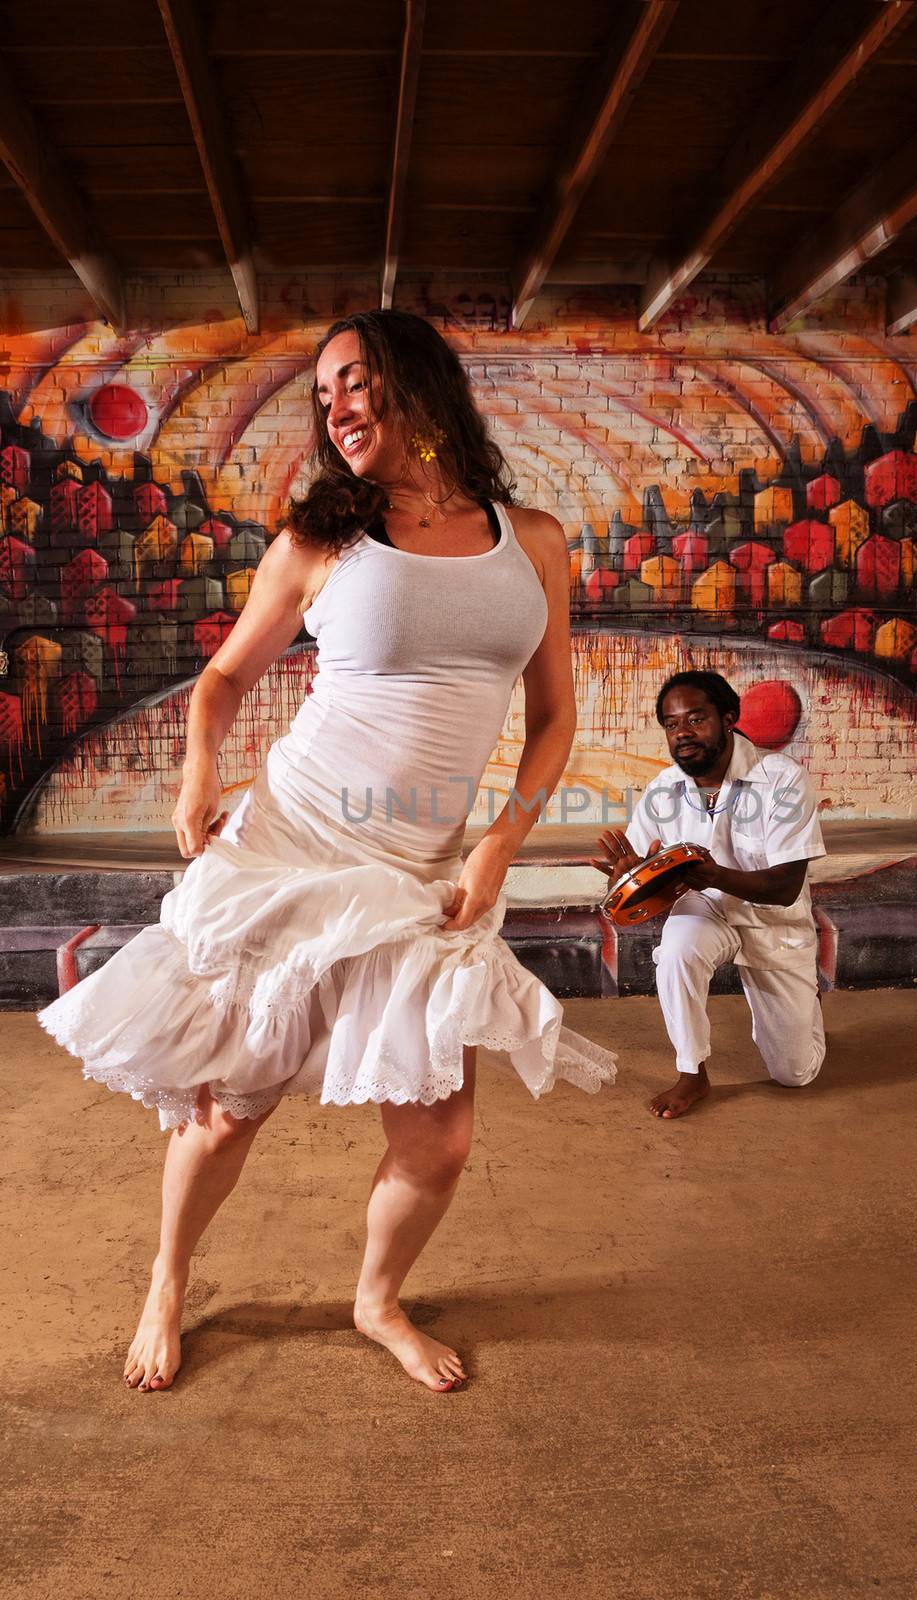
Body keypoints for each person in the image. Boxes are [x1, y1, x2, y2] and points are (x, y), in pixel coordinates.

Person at [37, 309, 616, 1395]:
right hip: (296, 842)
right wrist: (201, 771)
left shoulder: (529, 540)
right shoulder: (320, 543)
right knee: (228, 1105)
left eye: (353, 381)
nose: (335, 406)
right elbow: (221, 681)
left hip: (422, 870)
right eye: (323, 394)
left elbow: (552, 720)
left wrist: (501, 844)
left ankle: (376, 1298)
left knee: (440, 1141)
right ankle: (167, 1278)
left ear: (414, 380)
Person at [590, 671, 825, 1119]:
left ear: (730, 718)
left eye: (695, 719)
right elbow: (641, 873)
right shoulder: (664, 789)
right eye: (672, 724)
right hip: (707, 907)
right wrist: (624, 881)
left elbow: (786, 887)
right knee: (677, 948)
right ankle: (692, 1072)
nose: (683, 733)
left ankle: (806, 1007)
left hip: (773, 919)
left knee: (795, 1073)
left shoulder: (783, 780)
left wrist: (714, 874)